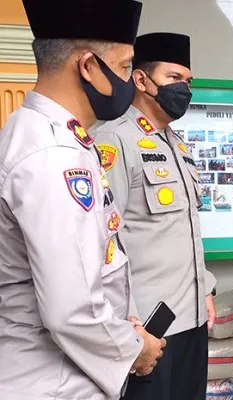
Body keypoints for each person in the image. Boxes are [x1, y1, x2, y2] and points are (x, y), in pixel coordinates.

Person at [0, 1, 167, 399]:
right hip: (53, 381)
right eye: (126, 67)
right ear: (89, 66)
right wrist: (135, 351)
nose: (131, 81)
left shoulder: (51, 135)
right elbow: (71, 310)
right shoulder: (52, 156)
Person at [91, 32, 217, 400]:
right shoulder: (113, 141)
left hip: (190, 318)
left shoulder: (177, 144)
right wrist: (129, 328)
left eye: (188, 81)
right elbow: (104, 241)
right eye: (174, 78)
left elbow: (184, 228)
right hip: (147, 327)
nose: (184, 89)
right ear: (142, 80)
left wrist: (205, 286)